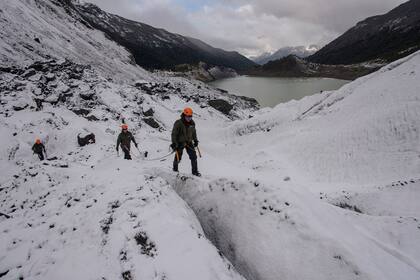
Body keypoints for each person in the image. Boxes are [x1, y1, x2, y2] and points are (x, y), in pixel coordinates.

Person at [171, 107, 201, 176]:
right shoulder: (178, 123)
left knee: (193, 156)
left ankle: (195, 172)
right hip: (180, 142)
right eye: (187, 116)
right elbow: (174, 134)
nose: (189, 118)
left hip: (189, 142)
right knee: (178, 156)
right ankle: (175, 170)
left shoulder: (192, 123)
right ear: (184, 115)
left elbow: (193, 132)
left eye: (190, 116)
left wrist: (195, 140)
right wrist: (174, 143)